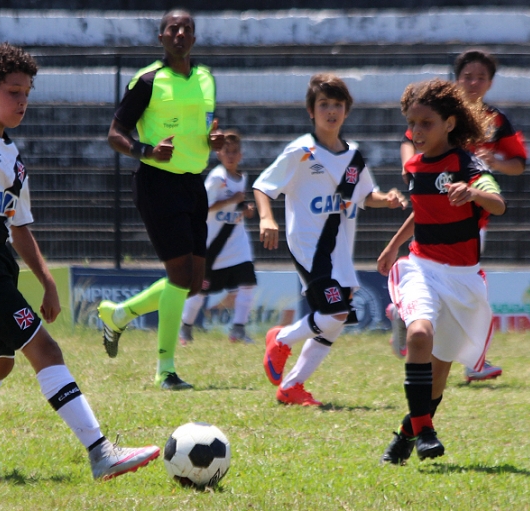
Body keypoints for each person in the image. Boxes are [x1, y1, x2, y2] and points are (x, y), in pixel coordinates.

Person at [0, 43, 159, 479]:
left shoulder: (14, 161)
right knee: (44, 348)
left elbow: (19, 227)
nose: (22, 101)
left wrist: (47, 281)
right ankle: (101, 453)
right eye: (13, 92)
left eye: (26, 93)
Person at [253, 73, 408, 406]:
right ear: (311, 111)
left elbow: (365, 196)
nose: (331, 111)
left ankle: (292, 386)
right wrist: (266, 217)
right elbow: (263, 185)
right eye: (324, 104)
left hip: (340, 251)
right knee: (335, 313)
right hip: (309, 247)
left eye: (337, 104)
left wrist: (388, 198)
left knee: (335, 322)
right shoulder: (301, 151)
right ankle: (280, 338)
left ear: (346, 111)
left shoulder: (354, 156)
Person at [377, 79, 507, 465]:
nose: (416, 131)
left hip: (463, 280)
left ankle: (406, 435)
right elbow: (422, 211)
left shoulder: (468, 165)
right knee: (419, 334)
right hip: (422, 267)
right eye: (412, 123)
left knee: (438, 376)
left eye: (426, 123)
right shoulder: (415, 166)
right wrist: (394, 245)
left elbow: (497, 203)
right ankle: (426, 432)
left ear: (449, 123)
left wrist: (473, 193)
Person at [101, 9, 224, 390]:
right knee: (180, 277)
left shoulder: (206, 77)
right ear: (161, 37)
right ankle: (165, 370)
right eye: (173, 28)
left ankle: (119, 315)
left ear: (194, 37)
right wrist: (147, 150)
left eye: (187, 28)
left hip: (194, 183)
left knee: (193, 283)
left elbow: (203, 126)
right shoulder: (147, 81)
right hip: (157, 183)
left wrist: (212, 141)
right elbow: (115, 133)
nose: (180, 33)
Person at [387, 49, 528, 383]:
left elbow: (518, 164)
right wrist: (411, 170)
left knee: (462, 287)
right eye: (467, 76)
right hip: (437, 211)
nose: (473, 82)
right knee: (450, 282)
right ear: (457, 79)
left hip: (473, 216)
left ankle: (423, 327)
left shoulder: (495, 121)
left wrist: (492, 165)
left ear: (490, 83)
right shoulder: (431, 113)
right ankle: (429, 330)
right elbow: (408, 141)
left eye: (481, 77)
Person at [179, 130, 257, 346]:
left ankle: (238, 330)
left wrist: (245, 208)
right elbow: (202, 207)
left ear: (240, 155)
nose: (230, 155)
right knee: (201, 290)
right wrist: (231, 201)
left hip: (237, 243)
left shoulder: (242, 178)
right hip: (213, 247)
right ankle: (185, 328)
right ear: (219, 154)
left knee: (248, 284)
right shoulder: (217, 177)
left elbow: (236, 204)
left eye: (234, 151)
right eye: (226, 151)